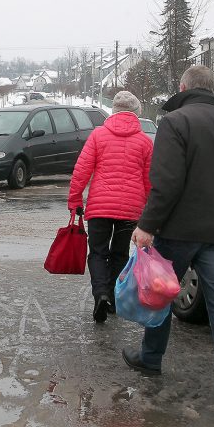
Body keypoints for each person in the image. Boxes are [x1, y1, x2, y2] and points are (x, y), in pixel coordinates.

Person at [126, 65, 214, 409]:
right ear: (212, 90)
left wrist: (147, 225)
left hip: (178, 230)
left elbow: (166, 182)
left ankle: (150, 358)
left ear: (183, 87)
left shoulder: (174, 123)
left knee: (162, 293)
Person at [67, 91, 153, 323]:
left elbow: (81, 170)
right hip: (131, 209)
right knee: (120, 253)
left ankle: (100, 294)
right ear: (136, 114)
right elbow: (149, 181)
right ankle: (113, 298)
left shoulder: (98, 136)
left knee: (97, 252)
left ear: (113, 111)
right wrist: (149, 212)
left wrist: (75, 200)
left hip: (100, 208)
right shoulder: (145, 141)